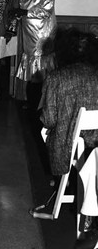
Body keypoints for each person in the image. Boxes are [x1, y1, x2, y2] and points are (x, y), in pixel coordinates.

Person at [40, 28, 98, 178]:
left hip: (67, 148)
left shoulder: (55, 78)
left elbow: (49, 120)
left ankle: (62, 181)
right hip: (95, 147)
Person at [10, 0, 57, 107]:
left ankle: (42, 103)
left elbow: (46, 11)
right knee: (30, 68)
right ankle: (31, 101)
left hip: (42, 33)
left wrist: (24, 12)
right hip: (28, 32)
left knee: (41, 68)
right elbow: (19, 8)